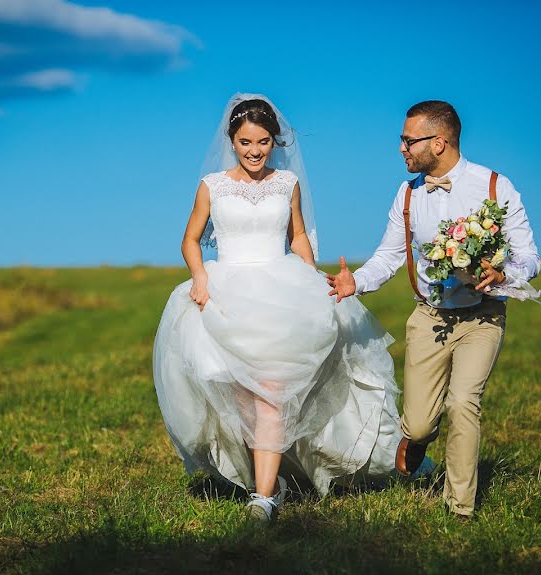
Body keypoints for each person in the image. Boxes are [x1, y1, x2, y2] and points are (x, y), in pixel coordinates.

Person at [153, 93, 424, 525]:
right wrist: (200, 277)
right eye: (245, 143)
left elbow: (298, 236)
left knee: (272, 392)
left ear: (274, 142)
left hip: (279, 289)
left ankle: (264, 498)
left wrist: (309, 277)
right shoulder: (212, 185)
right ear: (232, 140)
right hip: (227, 290)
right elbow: (191, 239)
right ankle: (269, 475)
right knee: (241, 394)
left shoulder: (287, 185)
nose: (255, 151)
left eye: (263, 142)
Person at [327, 100, 541, 519]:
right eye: (402, 141)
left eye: (408, 141)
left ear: (439, 142)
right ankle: (417, 437)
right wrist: (357, 282)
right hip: (428, 317)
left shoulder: (495, 187)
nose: (402, 149)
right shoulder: (408, 194)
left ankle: (460, 508)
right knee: (421, 423)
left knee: (464, 403)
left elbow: (530, 256)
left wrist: (503, 274)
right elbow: (389, 256)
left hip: (483, 315)